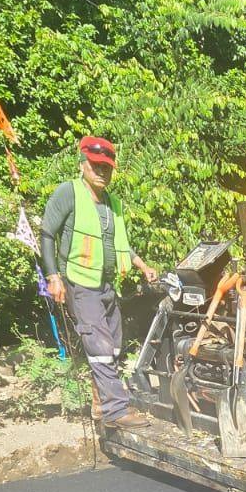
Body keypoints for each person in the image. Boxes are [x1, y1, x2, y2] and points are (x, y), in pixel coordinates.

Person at [41, 136, 159, 429]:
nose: (101, 172)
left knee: (114, 347)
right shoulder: (69, 193)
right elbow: (47, 234)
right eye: (95, 167)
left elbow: (119, 245)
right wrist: (53, 277)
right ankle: (116, 412)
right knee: (101, 347)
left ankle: (99, 403)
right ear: (83, 165)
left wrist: (142, 265)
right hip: (80, 285)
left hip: (106, 286)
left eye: (106, 168)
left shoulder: (112, 204)